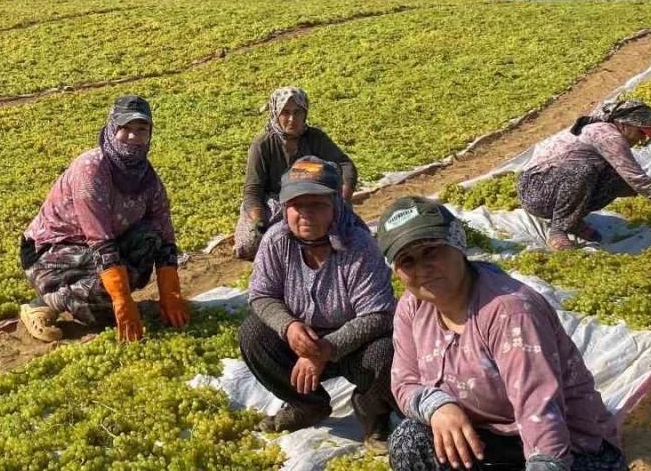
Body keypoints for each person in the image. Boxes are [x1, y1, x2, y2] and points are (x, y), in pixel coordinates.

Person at [378, 196, 628, 471]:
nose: (422, 269)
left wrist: (546, 465)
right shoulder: (412, 307)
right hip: (487, 436)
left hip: (567, 447)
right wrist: (439, 406)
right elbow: (404, 382)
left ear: (457, 245)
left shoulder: (510, 312)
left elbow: (540, 410)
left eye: (431, 251)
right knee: (409, 440)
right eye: (407, 261)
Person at [238, 157, 395, 452]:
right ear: (285, 208)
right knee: (252, 333)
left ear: (335, 204)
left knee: (384, 351)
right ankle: (307, 405)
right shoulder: (277, 240)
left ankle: (374, 413)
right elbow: (261, 294)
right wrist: (290, 326)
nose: (306, 214)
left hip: (352, 345)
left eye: (318, 204)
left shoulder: (358, 245)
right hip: (301, 341)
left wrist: (326, 349)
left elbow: (379, 314)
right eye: (298, 205)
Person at [18, 94, 190, 343]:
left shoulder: (147, 178)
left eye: (141, 129)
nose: (133, 136)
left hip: (96, 248)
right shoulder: (92, 168)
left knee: (150, 238)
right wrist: (121, 298)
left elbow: (165, 234)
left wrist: (171, 293)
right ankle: (44, 302)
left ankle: (103, 301)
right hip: (52, 251)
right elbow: (99, 239)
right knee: (105, 299)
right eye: (125, 128)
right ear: (111, 128)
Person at [515, 99, 651, 251]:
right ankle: (559, 229)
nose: (642, 139)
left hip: (557, 186)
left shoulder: (611, 133)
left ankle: (572, 220)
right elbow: (637, 179)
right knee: (584, 171)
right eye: (641, 132)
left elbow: (632, 179)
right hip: (537, 190)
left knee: (617, 176)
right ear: (625, 124)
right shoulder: (607, 134)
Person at [234, 86, 358, 260]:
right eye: (285, 113)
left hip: (312, 195)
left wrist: (343, 200)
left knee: (348, 235)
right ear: (276, 113)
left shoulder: (315, 138)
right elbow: (253, 191)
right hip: (275, 203)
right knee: (254, 244)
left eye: (297, 112)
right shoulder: (262, 144)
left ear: (305, 113)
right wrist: (260, 223)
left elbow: (346, 165)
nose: (292, 119)